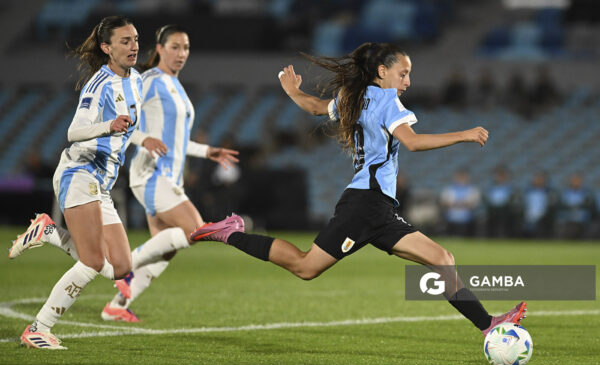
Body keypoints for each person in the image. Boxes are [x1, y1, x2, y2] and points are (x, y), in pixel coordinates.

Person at [189, 42, 526, 337]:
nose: (407, 81)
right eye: (403, 73)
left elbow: (317, 107)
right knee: (306, 267)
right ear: (382, 70)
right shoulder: (387, 101)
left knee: (442, 258)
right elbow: (412, 142)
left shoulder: (355, 96)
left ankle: (489, 324)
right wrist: (463, 135)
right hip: (365, 206)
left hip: (377, 208)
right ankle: (231, 232)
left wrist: (291, 91)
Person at [8, 16, 167, 349]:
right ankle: (39, 328)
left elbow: (127, 124)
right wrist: (107, 125)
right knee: (93, 262)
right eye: (124, 41)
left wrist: (142, 139)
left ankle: (48, 231)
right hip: (79, 173)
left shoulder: (136, 80)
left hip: (101, 183)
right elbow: (74, 132)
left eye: (135, 38)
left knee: (121, 267)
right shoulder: (100, 85)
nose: (134, 45)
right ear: (107, 48)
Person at [101, 25, 239, 321]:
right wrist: (142, 139)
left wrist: (207, 151)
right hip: (151, 173)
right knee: (195, 228)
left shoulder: (175, 85)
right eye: (175, 47)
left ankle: (116, 307)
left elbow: (175, 140)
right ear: (160, 49)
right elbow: (119, 119)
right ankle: (122, 268)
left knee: (165, 250)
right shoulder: (149, 79)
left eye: (186, 47)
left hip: (168, 177)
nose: (181, 53)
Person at [440, 168, 480, 237]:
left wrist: (458, 203)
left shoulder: (473, 190)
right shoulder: (449, 189)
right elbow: (444, 202)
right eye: (459, 177)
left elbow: (473, 203)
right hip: (451, 217)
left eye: (463, 177)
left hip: (467, 218)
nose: (461, 179)